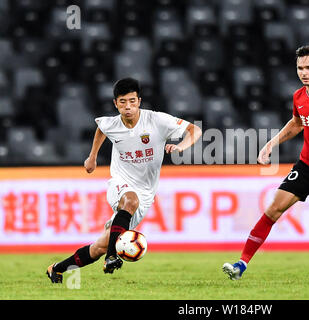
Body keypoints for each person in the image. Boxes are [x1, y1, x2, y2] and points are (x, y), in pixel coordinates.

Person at [46, 77, 202, 282]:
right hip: (120, 182)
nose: (127, 107)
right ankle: (112, 256)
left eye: (131, 101)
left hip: (146, 192)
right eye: (122, 102)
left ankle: (57, 268)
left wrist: (181, 146)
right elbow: (101, 129)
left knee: (100, 246)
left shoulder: (157, 121)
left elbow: (195, 130)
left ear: (139, 101)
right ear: (115, 103)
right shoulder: (112, 123)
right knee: (130, 200)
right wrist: (91, 157)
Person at [223, 45, 309, 280]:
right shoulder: (298, 96)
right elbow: (297, 123)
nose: (304, 72)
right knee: (273, 209)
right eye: (300, 68)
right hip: (306, 166)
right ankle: (241, 264)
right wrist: (271, 144)